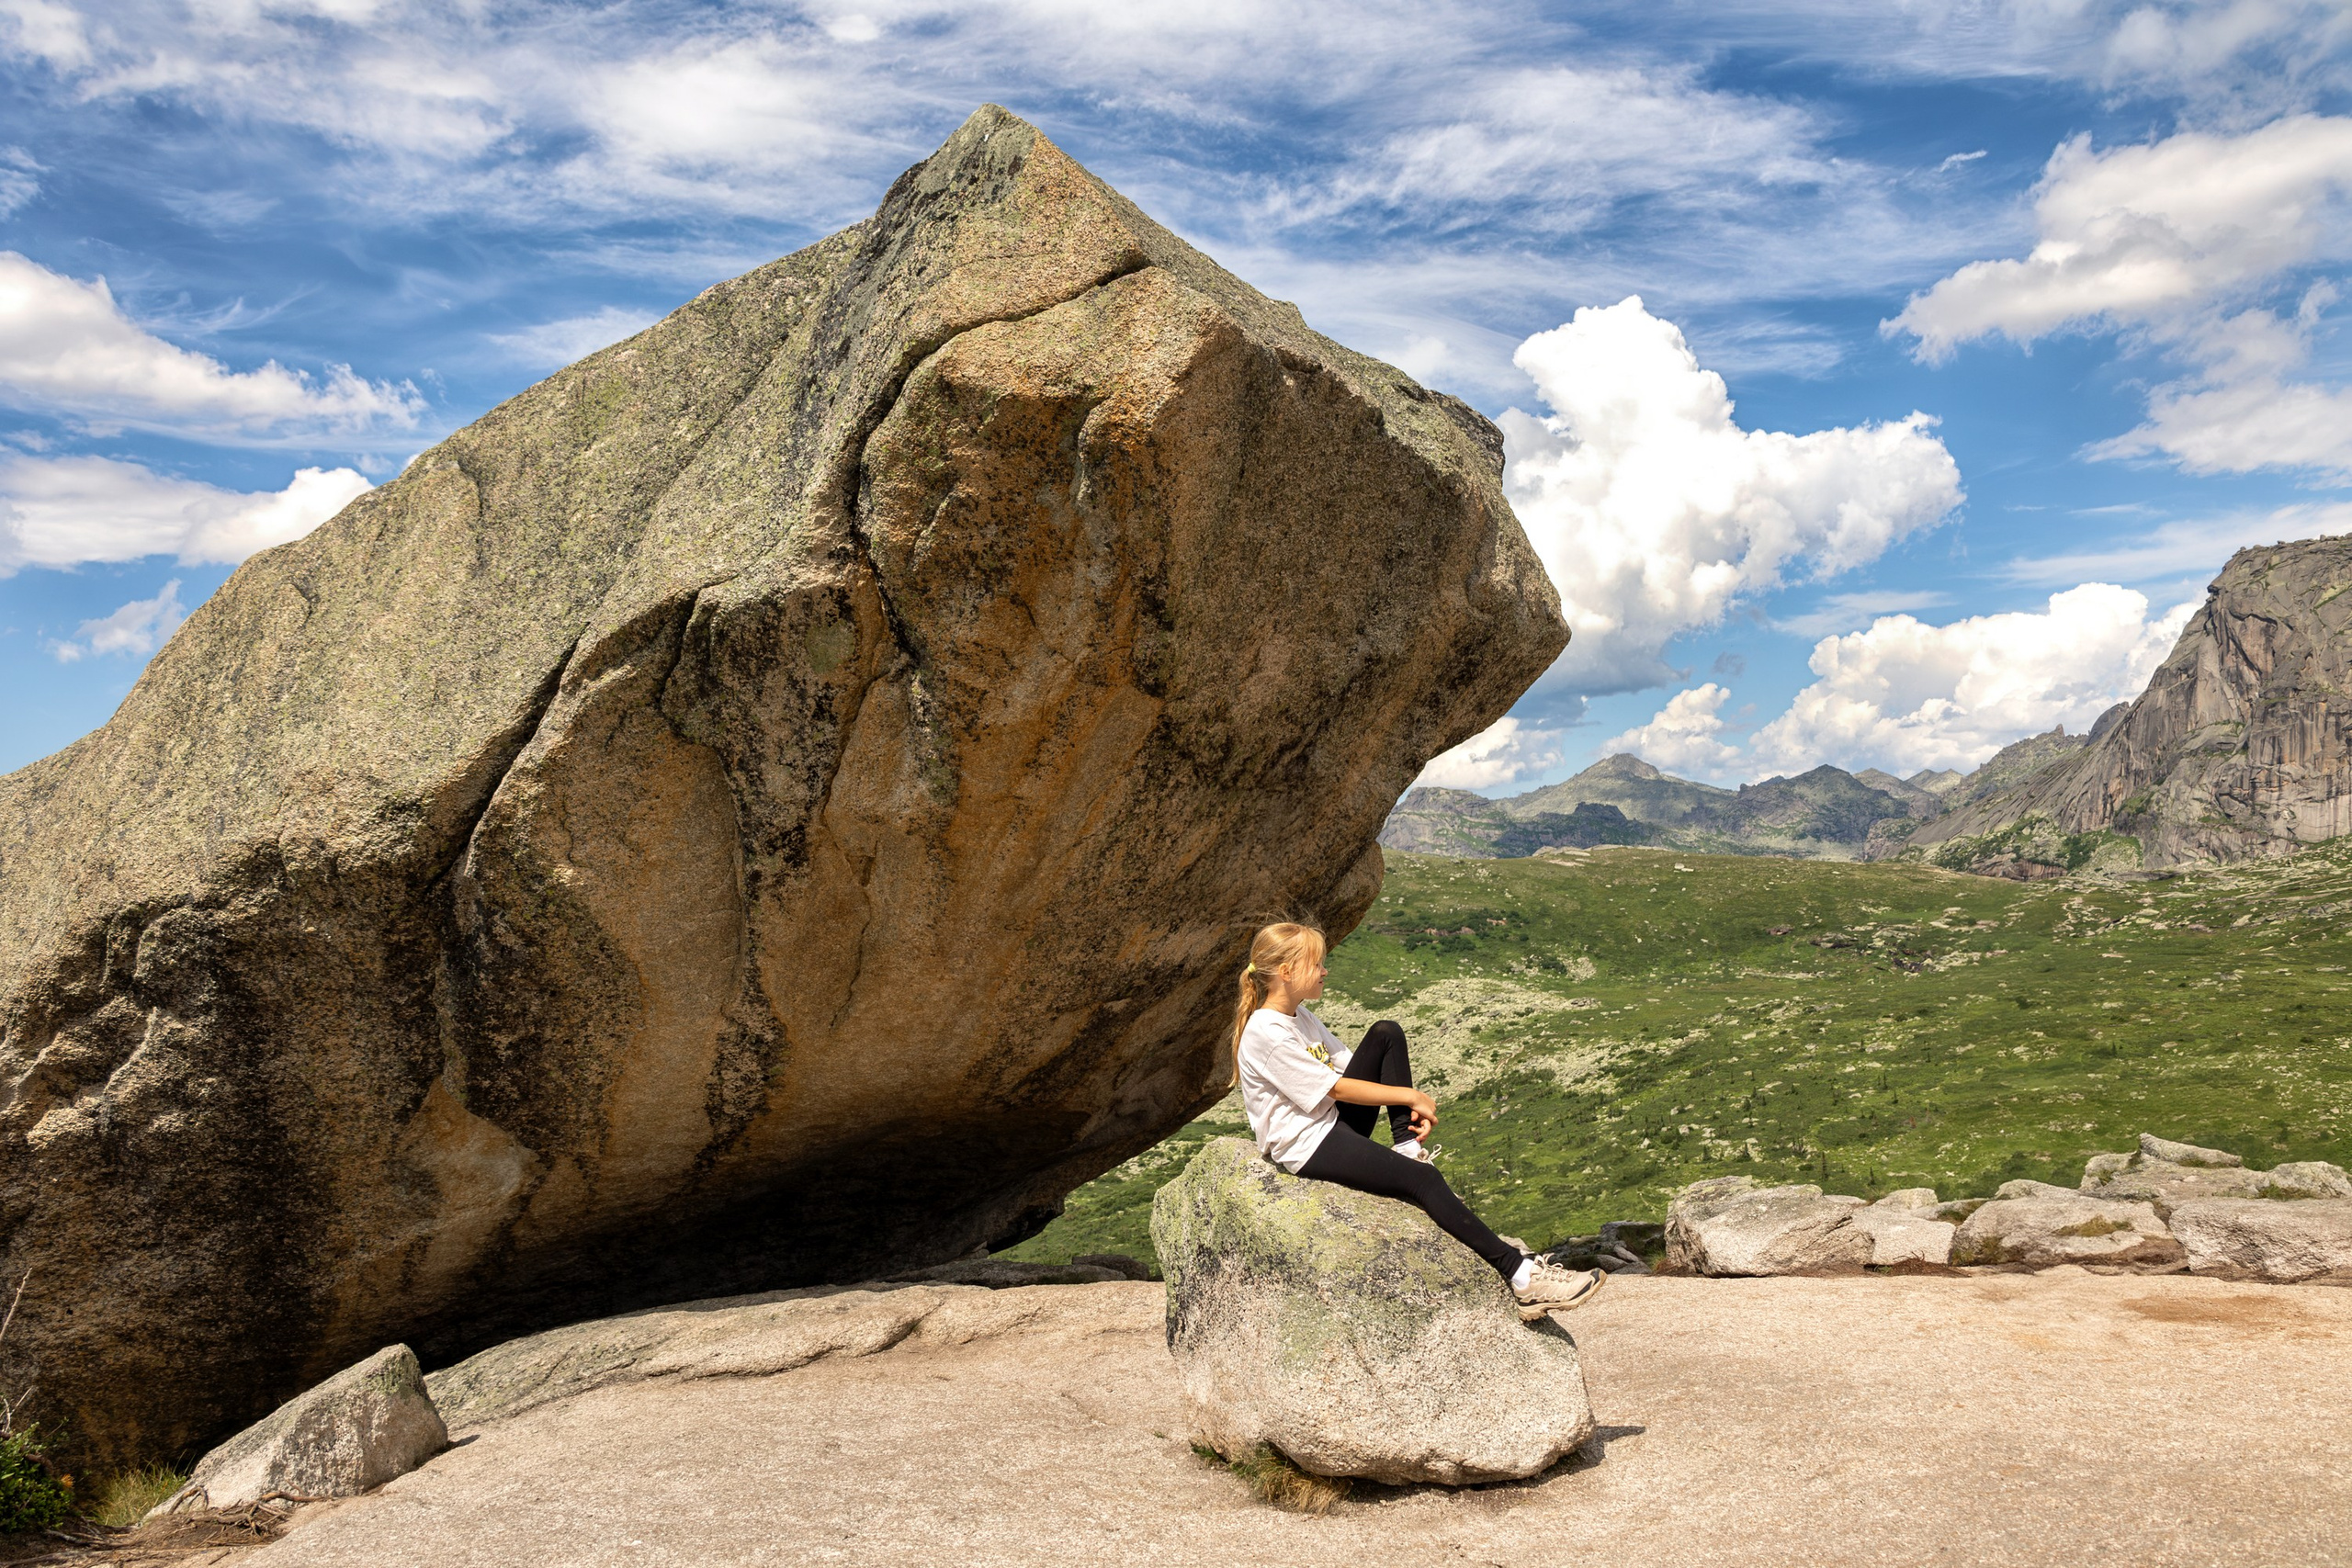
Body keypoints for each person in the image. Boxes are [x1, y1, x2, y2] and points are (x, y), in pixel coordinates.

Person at [1230, 919, 1606, 1313]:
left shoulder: (1300, 1016)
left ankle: (1407, 1148)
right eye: (1316, 964)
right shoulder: (1266, 1031)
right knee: (1422, 1183)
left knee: (1385, 1033)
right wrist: (1410, 1095)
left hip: (1330, 1122)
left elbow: (1350, 1067)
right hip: (1306, 1143)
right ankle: (1522, 1277)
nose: (1325, 971)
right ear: (1287, 972)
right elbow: (1336, 1088)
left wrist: (1407, 1111)